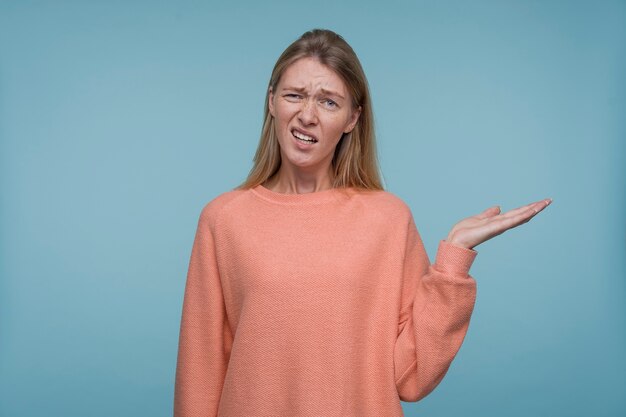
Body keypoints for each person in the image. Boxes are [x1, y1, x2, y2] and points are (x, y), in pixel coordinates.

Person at [173, 28, 552, 417]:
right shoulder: (223, 219)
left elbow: (412, 375)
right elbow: (200, 373)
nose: (307, 115)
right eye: (294, 95)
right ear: (271, 101)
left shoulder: (388, 219)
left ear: (353, 118)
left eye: (329, 102)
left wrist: (453, 259)